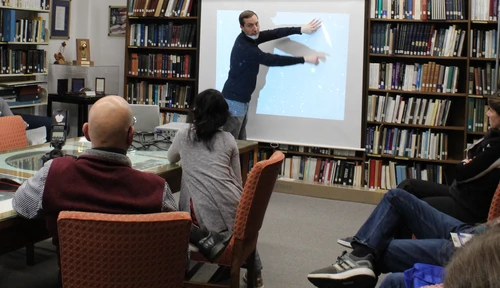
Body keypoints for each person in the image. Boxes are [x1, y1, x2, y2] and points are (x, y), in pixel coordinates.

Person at [12, 95, 178, 254]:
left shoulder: (53, 174)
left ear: (86, 132)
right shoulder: (157, 189)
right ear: (131, 135)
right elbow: (179, 252)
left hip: (73, 281)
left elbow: (21, 205)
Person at [167, 88, 264, 287]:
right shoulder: (229, 139)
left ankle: (181, 270)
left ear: (196, 112)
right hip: (238, 216)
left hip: (199, 220)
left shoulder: (184, 136)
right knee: (232, 208)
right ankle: (256, 272)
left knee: (180, 202)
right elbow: (236, 180)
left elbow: (171, 158)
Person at [307, 188, 494, 288]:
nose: (487, 113)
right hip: (475, 232)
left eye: (492, 112)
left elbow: (465, 173)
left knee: (380, 249)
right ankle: (360, 255)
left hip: (477, 248)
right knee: (397, 196)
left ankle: (359, 255)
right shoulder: (491, 139)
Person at [397, 91, 500, 224]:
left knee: (410, 206)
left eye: (491, 111)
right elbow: (470, 158)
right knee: (407, 186)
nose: (487, 114)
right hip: (459, 193)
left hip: (468, 207)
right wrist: (467, 162)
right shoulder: (493, 136)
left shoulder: (496, 146)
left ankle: (386, 241)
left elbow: (462, 173)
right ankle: (377, 239)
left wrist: (465, 164)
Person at [222, 10, 322, 139]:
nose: (255, 28)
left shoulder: (249, 38)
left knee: (240, 142)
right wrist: (304, 59)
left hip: (241, 99)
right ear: (242, 27)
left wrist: (301, 29)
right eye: (250, 25)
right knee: (231, 144)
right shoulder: (246, 48)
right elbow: (274, 60)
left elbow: (274, 33)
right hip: (234, 101)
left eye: (257, 24)